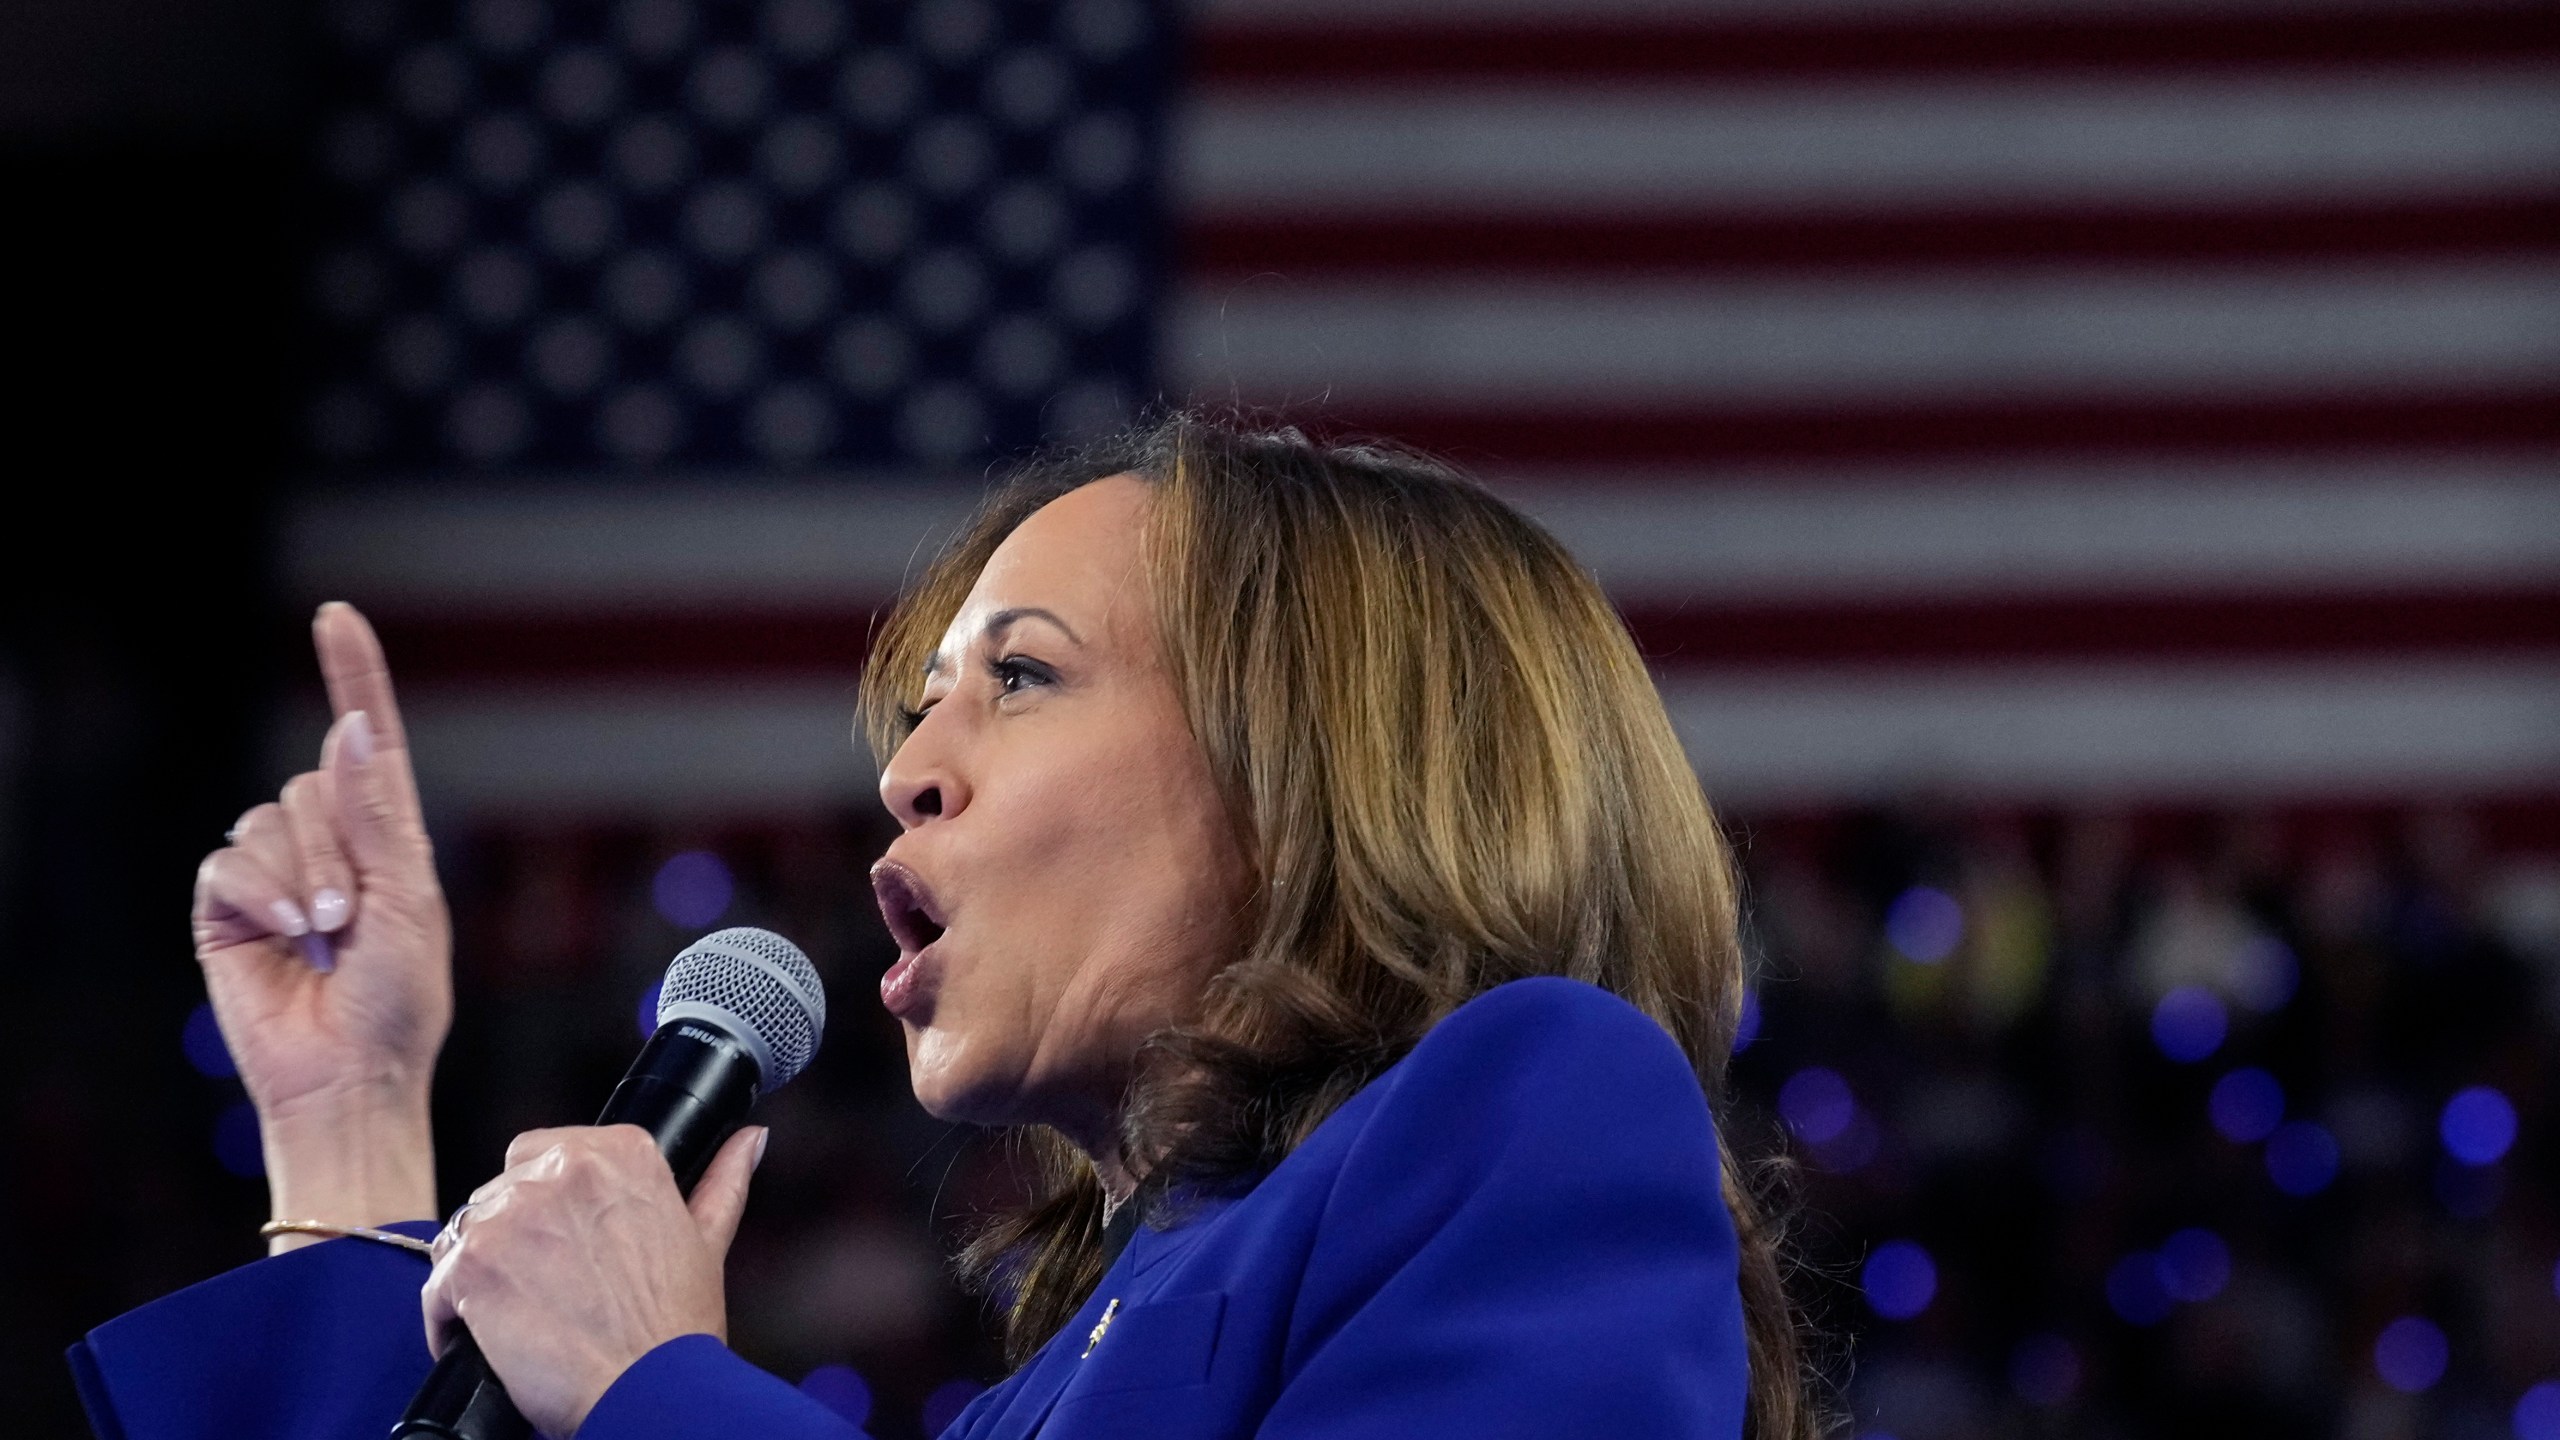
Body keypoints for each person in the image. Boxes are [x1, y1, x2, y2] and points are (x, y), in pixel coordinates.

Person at [71, 415, 1821, 1439]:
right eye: (919, 708)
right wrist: (351, 1124)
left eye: (1025, 677)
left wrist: (657, 1390)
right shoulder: (1017, 1400)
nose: (909, 771)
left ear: (1318, 763)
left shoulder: (1539, 1098)